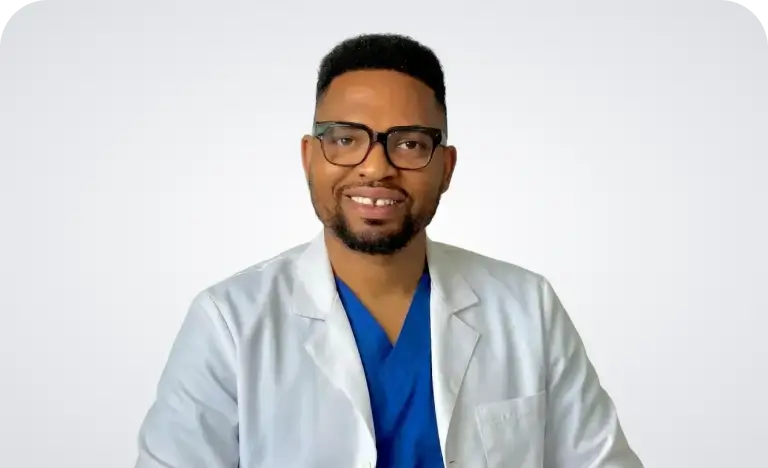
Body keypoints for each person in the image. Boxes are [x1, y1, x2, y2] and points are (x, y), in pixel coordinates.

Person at [135, 33, 643, 468]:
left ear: (446, 166)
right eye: (345, 139)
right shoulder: (229, 322)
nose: (376, 168)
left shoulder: (527, 307)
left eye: (409, 143)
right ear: (310, 158)